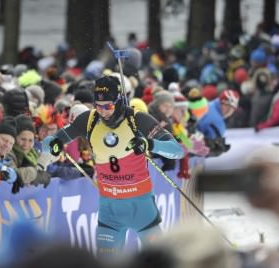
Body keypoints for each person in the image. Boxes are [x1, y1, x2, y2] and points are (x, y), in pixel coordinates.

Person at [42, 76, 185, 257]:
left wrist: (149, 144)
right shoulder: (88, 120)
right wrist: (54, 145)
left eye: (107, 106)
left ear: (118, 101)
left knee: (158, 261)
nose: (102, 112)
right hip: (109, 209)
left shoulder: (137, 120)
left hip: (140, 206)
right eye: (98, 106)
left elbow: (177, 150)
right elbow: (50, 141)